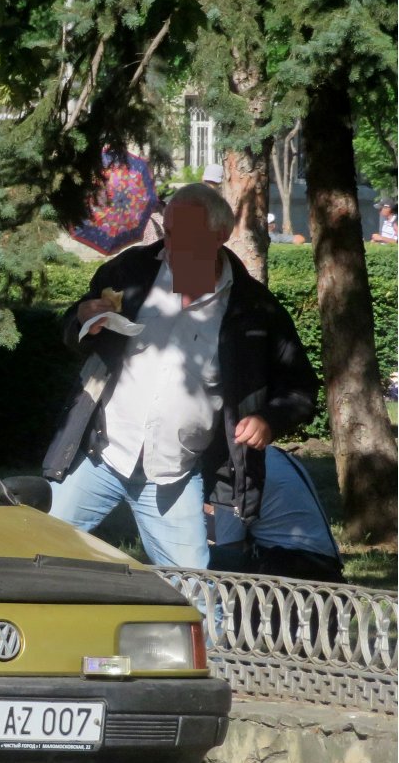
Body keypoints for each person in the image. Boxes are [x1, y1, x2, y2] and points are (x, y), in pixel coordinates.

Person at [43, 182, 319, 568]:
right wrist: (82, 317)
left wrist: (268, 420)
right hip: (101, 456)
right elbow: (75, 330)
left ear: (220, 236)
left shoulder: (254, 308)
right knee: (37, 549)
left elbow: (301, 387)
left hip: (173, 474)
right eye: (168, 231)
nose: (172, 245)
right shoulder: (130, 271)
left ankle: (213, 632)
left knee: (197, 593)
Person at [209, 448, 343, 582]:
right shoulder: (272, 454)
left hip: (291, 571)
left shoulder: (233, 469)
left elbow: (230, 546)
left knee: (198, 555)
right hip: (325, 566)